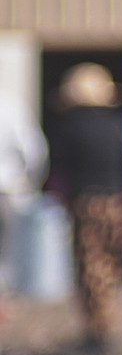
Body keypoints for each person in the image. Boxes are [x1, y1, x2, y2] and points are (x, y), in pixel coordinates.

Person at [51, 63, 122, 355]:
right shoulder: (116, 126)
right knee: (112, 265)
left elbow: (61, 169)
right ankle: (111, 323)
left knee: (92, 267)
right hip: (116, 201)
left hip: (87, 202)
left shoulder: (71, 128)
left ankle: (100, 332)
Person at [0, 81, 49, 324]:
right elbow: (34, 150)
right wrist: (30, 182)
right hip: (8, 187)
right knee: (7, 251)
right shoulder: (10, 105)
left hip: (8, 188)